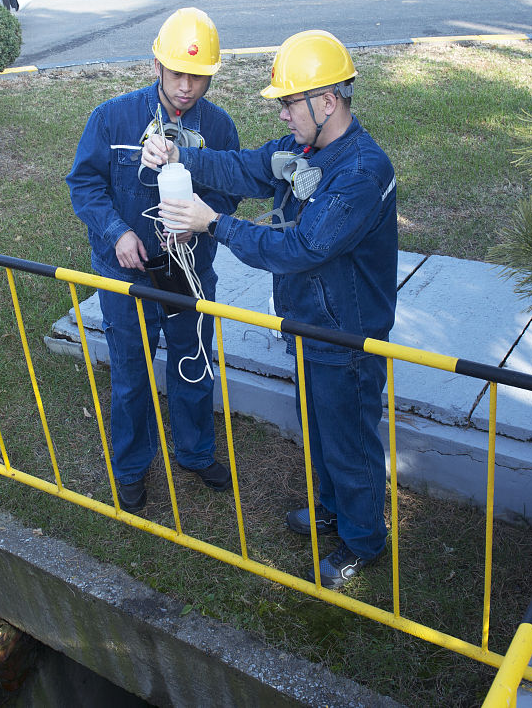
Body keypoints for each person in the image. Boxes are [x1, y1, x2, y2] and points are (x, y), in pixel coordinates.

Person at [143, 30, 398, 589]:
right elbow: (245, 168)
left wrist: (212, 223)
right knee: (321, 427)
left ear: (326, 102)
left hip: (346, 334)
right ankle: (332, 511)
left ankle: (362, 541)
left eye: (289, 101)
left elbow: (301, 248)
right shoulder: (307, 150)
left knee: (350, 438)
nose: (283, 113)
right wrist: (182, 154)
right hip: (310, 323)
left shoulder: (359, 173)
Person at [66, 8, 242, 514]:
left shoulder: (218, 128)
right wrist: (116, 232)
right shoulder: (112, 118)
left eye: (199, 76)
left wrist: (204, 219)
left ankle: (195, 453)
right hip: (127, 272)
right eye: (178, 73)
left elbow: (231, 192)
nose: (187, 87)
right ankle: (131, 469)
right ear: (158, 66)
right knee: (131, 372)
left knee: (192, 364)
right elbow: (84, 184)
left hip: (190, 270)